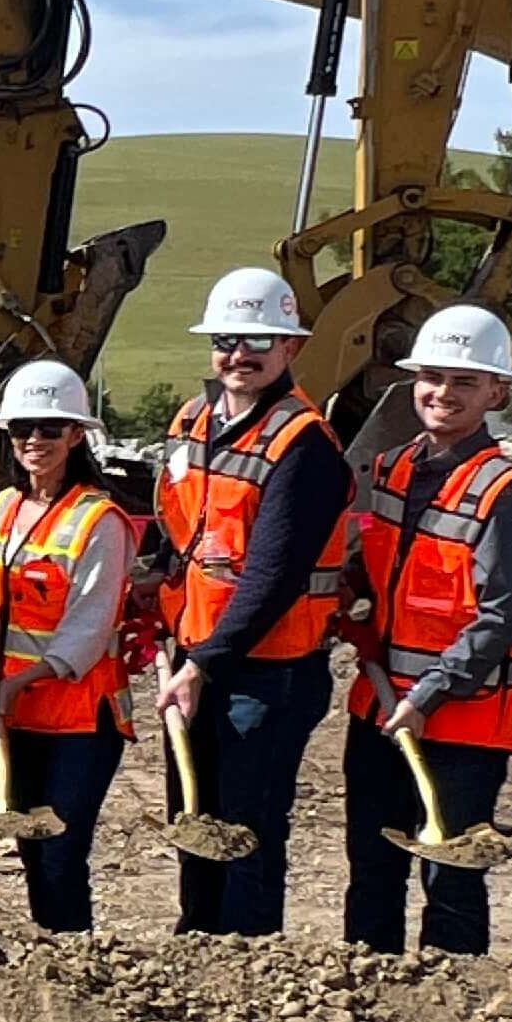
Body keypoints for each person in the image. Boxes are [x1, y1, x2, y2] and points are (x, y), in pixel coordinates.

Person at [147, 267, 352, 937]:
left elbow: (274, 576)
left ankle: (247, 966)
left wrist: (203, 663)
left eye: (258, 341)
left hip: (266, 672)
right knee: (195, 819)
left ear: (290, 348)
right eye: (228, 340)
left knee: (245, 832)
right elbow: (179, 531)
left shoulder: (305, 446)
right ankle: (196, 944)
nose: (240, 355)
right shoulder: (193, 420)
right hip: (198, 654)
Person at [339, 307, 512, 958]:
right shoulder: (392, 468)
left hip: (462, 722)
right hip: (379, 707)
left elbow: (502, 614)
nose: (442, 394)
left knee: (450, 879)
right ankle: (369, 1004)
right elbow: (372, 571)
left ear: (496, 393)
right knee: (372, 871)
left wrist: (428, 694)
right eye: (431, 377)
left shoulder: (504, 492)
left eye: (463, 382)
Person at [0, 360, 133, 934]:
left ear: (77, 435)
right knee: (32, 850)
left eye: (50, 428)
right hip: (21, 713)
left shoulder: (100, 520)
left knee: (60, 853)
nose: (34, 440)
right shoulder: (10, 505)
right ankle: (48, 964)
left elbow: (88, 627)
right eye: (22, 429)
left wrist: (13, 683)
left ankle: (73, 963)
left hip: (80, 719)